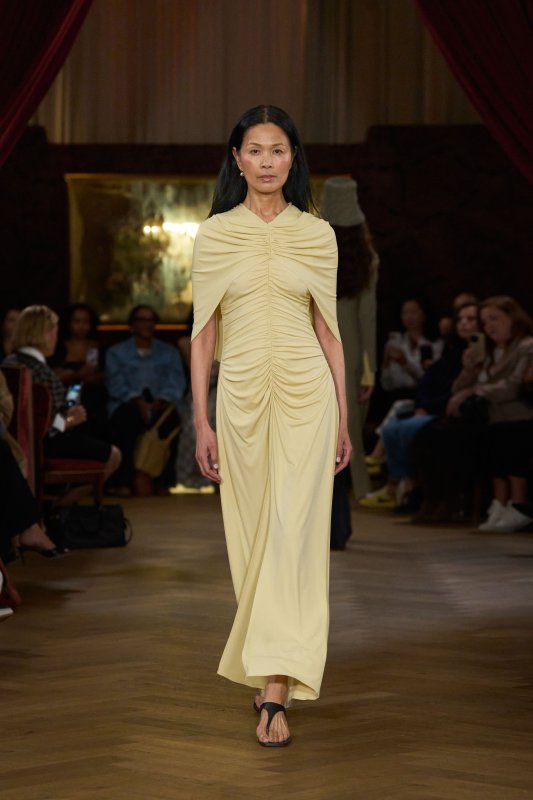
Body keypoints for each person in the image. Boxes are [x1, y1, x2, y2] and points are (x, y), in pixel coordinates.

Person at [191, 105, 351, 747]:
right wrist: (200, 421)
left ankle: (276, 688)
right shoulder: (213, 236)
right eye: (254, 150)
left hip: (308, 397)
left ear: (293, 158)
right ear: (236, 159)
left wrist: (343, 418)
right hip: (239, 400)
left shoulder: (318, 234)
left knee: (294, 535)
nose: (266, 161)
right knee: (254, 538)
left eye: (277, 149)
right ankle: (268, 666)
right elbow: (202, 335)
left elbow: (330, 332)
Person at [359, 302, 480, 510]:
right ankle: (406, 488)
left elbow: (454, 388)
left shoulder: (461, 350)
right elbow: (429, 381)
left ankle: (413, 490)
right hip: (425, 401)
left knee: (407, 426)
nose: (464, 324)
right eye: (460, 319)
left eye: (470, 319)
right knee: (391, 429)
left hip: (452, 408)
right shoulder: (453, 350)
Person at [5, 305, 121, 505]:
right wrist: (71, 419)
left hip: (13, 443)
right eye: (55, 332)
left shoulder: (9, 362)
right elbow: (48, 426)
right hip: (43, 446)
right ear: (46, 333)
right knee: (114, 456)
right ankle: (57, 510)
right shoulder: (41, 371)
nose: (56, 338)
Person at [320, 176, 378, 549]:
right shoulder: (367, 258)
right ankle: (338, 527)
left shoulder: (308, 250)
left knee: (313, 441)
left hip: (308, 350)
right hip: (349, 354)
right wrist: (368, 371)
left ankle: (323, 527)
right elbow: (367, 319)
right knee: (340, 438)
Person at [446, 296, 533, 531]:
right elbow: (457, 389)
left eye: (495, 319)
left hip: (520, 416)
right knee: (486, 439)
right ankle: (500, 503)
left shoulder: (526, 346)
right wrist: (469, 369)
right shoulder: (491, 352)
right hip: (494, 418)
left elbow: (512, 387)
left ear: (512, 318)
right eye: (485, 322)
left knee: (508, 436)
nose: (489, 326)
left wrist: (473, 391)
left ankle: (518, 504)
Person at [106, 305, 186, 496]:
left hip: (162, 405)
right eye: (141, 320)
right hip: (126, 404)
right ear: (132, 324)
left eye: (151, 320)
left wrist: (162, 400)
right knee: (126, 422)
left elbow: (176, 380)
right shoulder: (115, 352)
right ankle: (124, 481)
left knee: (171, 422)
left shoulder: (169, 352)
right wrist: (136, 400)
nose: (147, 324)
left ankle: (163, 482)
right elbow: (114, 382)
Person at [50, 303, 109, 440]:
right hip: (67, 397)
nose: (81, 326)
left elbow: (106, 375)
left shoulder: (98, 346)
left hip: (94, 398)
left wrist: (87, 378)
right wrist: (77, 376)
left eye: (86, 322)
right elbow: (54, 375)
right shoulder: (58, 347)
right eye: (77, 321)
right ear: (68, 323)